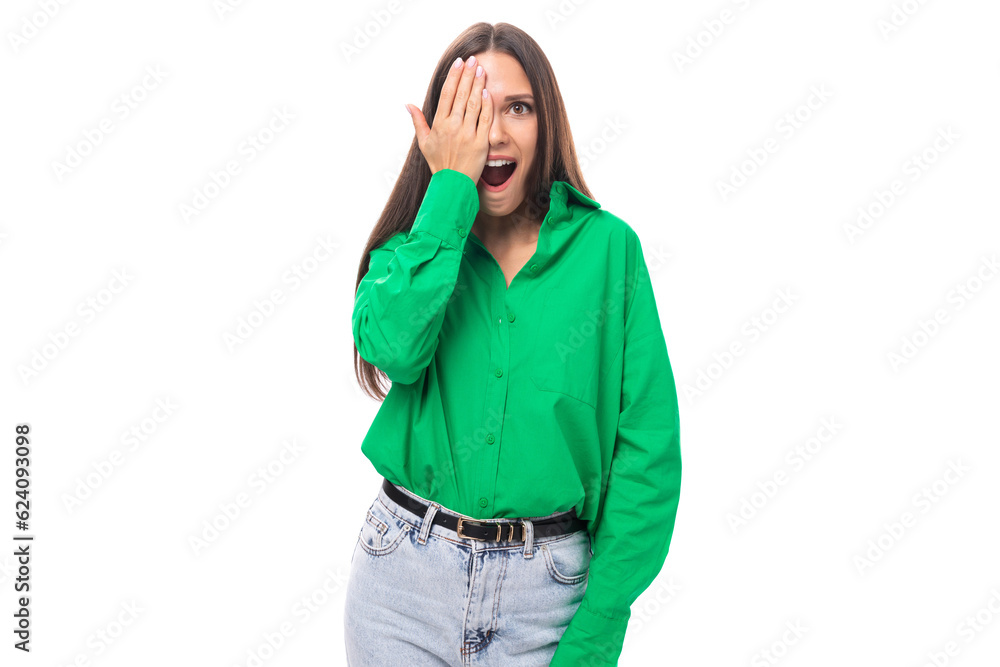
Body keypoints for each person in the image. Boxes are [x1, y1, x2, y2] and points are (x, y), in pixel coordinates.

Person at [345, 21, 681, 666]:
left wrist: (600, 626)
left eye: (517, 108)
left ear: (545, 119)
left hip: (548, 599)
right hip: (402, 584)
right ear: (441, 132)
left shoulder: (609, 252)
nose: (494, 133)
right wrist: (448, 190)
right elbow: (394, 348)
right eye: (470, 111)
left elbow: (647, 456)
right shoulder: (412, 251)